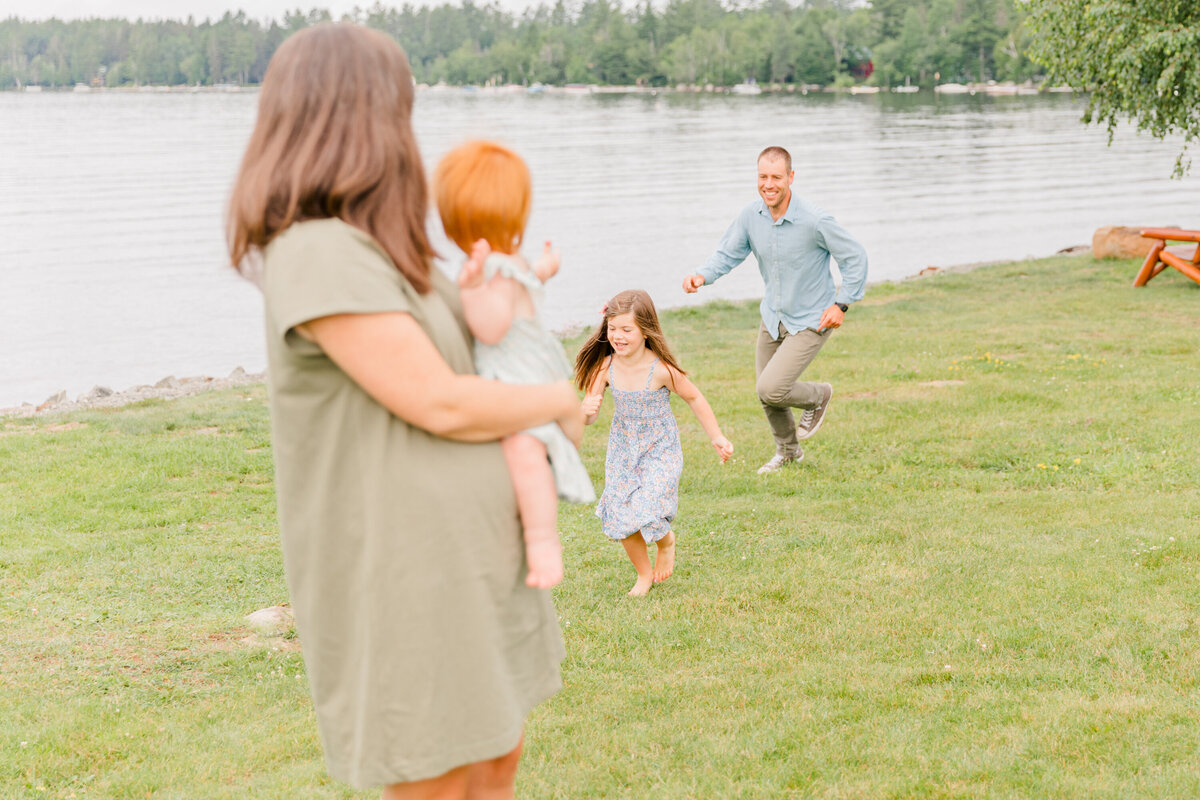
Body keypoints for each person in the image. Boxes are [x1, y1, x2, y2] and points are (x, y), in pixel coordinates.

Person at [226, 24, 581, 799]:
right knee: (435, 779)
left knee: (494, 764)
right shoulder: (316, 251)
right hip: (409, 577)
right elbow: (439, 400)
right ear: (359, 119)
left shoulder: (389, 250)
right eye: (399, 109)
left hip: (477, 563)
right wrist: (564, 400)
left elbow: (487, 338)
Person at [434, 139, 595, 590]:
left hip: (518, 377)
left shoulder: (491, 269)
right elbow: (530, 278)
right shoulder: (510, 260)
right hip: (529, 371)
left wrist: (467, 290)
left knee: (524, 453)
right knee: (522, 453)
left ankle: (543, 541)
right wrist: (547, 267)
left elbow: (490, 326)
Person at [682, 145, 868, 475]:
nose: (769, 184)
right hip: (773, 316)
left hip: (813, 318)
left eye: (776, 177)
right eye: (763, 177)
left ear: (791, 178)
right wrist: (702, 275)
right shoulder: (750, 216)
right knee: (768, 394)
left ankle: (819, 396)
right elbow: (728, 253)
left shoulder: (815, 219)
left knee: (771, 388)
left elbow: (855, 257)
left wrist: (842, 304)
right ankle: (789, 453)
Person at [575, 290, 733, 597]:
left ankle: (666, 541)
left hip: (659, 449)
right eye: (612, 329)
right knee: (621, 516)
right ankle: (643, 575)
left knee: (648, 506)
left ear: (645, 330)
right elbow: (589, 414)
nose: (617, 337)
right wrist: (585, 412)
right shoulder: (605, 368)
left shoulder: (661, 370)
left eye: (626, 330)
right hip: (623, 451)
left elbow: (694, 397)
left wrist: (717, 436)